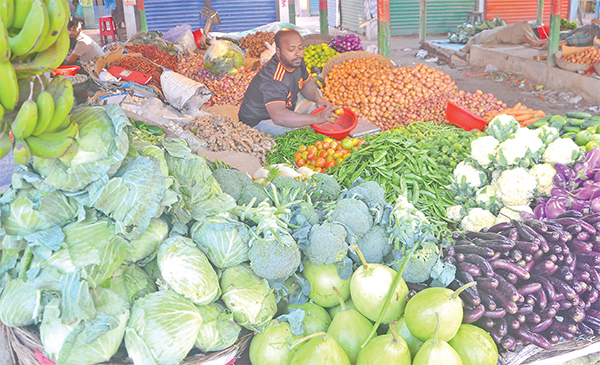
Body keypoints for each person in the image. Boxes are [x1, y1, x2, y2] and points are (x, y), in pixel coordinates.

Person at [238, 28, 338, 136]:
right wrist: (317, 118)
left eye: (300, 48)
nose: (298, 53)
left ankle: (296, 118)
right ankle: (294, 123)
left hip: (284, 106)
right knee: (297, 136)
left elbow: (306, 83)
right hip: (261, 120)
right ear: (278, 51)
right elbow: (278, 117)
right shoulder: (273, 79)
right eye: (291, 50)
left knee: (318, 98)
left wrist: (318, 99)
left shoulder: (296, 61)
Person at [523, 20, 600, 49]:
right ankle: (537, 42)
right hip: (591, 28)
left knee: (572, 39)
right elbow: (594, 20)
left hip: (594, 36)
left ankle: (550, 45)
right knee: (564, 35)